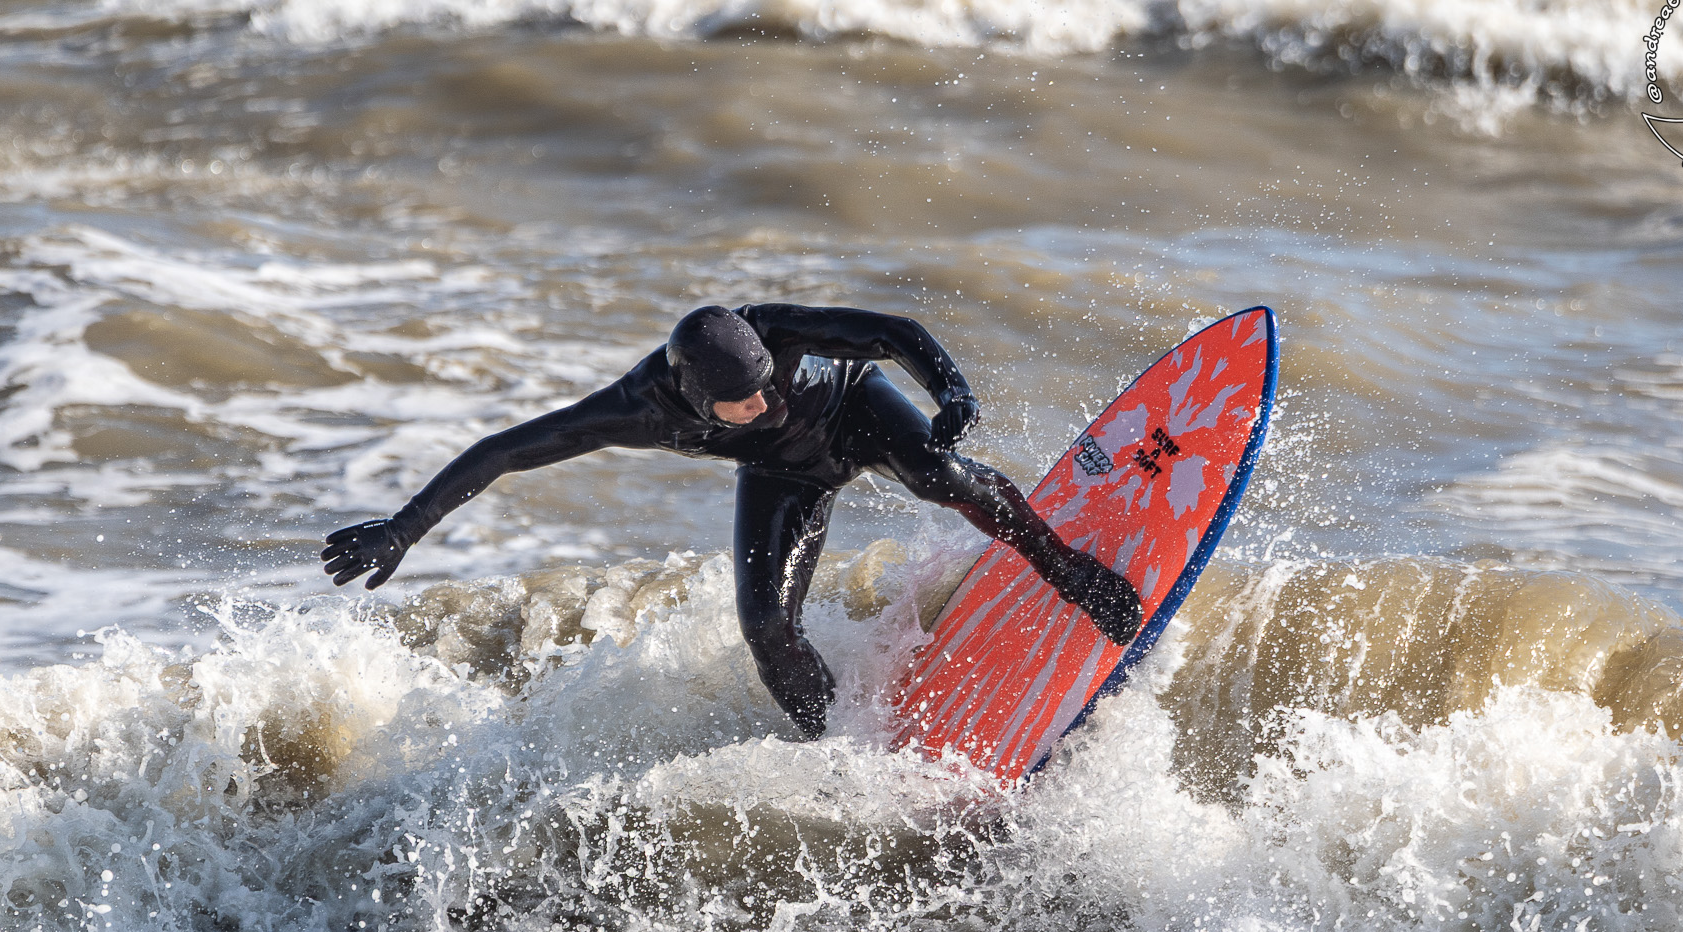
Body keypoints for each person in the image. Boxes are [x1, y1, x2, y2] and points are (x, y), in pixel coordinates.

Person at [322, 303, 1142, 738]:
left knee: (936, 475)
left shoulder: (773, 335)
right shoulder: (642, 410)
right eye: (747, 399)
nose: (770, 398)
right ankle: (846, 744)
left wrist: (951, 389)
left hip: (858, 413)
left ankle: (1065, 567)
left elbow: (892, 334)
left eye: (770, 381)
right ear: (696, 398)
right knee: (763, 626)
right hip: (785, 474)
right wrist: (404, 527)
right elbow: (507, 449)